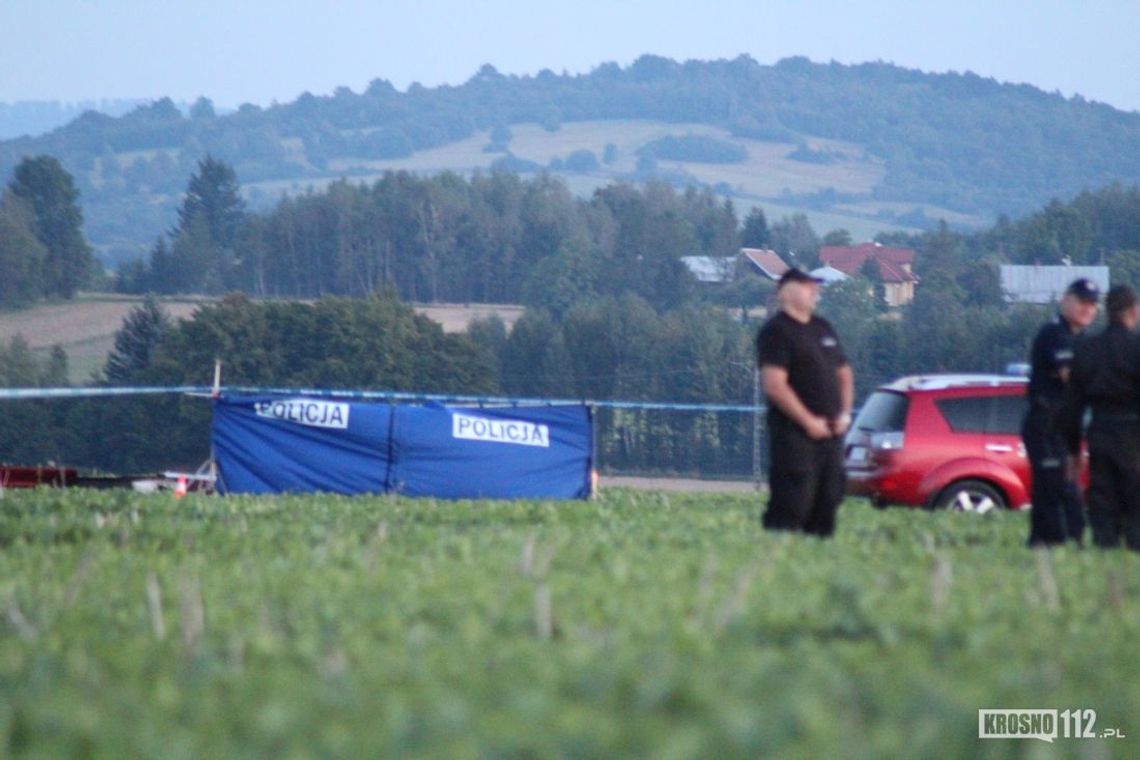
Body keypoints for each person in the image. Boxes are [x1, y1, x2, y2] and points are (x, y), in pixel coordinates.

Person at [755, 268, 854, 537]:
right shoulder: (776, 332)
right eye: (808, 287)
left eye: (816, 287)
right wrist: (808, 422)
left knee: (829, 498)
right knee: (793, 503)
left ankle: (816, 564)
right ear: (787, 293)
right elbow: (774, 384)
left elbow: (844, 374)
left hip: (831, 435)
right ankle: (776, 560)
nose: (815, 292)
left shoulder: (823, 327)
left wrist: (844, 414)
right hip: (795, 438)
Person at [1060, 284, 1140, 551]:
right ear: (1133, 311)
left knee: (1103, 499)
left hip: (1101, 432)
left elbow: (1072, 406)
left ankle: (1105, 551)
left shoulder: (1088, 349)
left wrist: (1072, 450)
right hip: (1133, 435)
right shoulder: (1136, 348)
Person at [1021, 277, 1099, 546]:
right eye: (1081, 302)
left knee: (1055, 489)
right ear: (1066, 300)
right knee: (1057, 488)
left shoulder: (1083, 339)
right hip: (1045, 424)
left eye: (1091, 304)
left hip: (1064, 426)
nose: (1086, 309)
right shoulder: (1055, 333)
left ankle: (1041, 545)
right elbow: (1071, 377)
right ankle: (1060, 545)